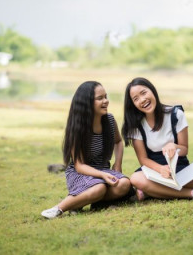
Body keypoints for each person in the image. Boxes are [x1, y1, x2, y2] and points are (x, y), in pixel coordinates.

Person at [41, 81, 131, 219]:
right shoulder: (77, 128)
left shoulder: (110, 120)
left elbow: (118, 142)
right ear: (86, 102)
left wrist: (117, 164)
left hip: (103, 169)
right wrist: (102, 176)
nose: (106, 101)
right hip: (80, 173)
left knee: (124, 184)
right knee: (99, 187)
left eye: (106, 97)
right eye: (100, 98)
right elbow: (79, 165)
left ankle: (92, 201)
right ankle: (59, 209)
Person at [122, 77, 193, 201]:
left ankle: (150, 191)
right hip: (154, 170)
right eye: (136, 99)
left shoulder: (176, 114)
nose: (142, 100)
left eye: (144, 93)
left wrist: (174, 146)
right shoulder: (136, 125)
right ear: (133, 104)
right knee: (135, 179)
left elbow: (184, 149)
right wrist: (160, 169)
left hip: (178, 167)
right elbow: (143, 159)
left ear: (152, 90)